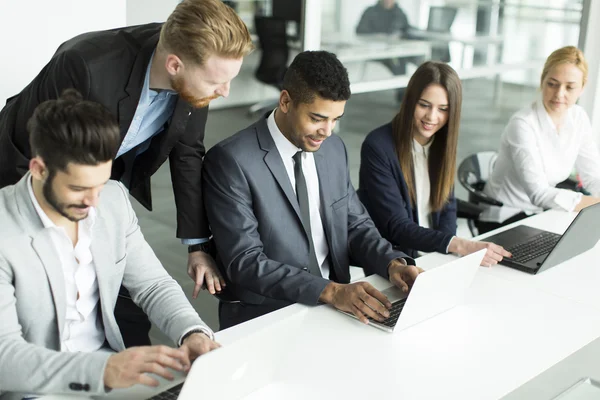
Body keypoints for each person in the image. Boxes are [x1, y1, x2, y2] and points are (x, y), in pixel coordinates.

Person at [0, 0, 254, 347]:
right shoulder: (87, 65)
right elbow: (35, 148)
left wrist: (198, 246)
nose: (224, 91)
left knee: (125, 308)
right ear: (175, 65)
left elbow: (187, 153)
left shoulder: (196, 70)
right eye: (217, 81)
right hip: (22, 168)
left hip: (100, 188)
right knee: (43, 310)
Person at [0, 90, 220, 400]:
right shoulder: (4, 230)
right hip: (34, 389)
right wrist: (103, 371)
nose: (93, 202)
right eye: (79, 188)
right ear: (38, 169)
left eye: (100, 184)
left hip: (110, 374)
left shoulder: (113, 200)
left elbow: (152, 285)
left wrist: (192, 331)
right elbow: (4, 355)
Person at [202, 51, 423, 330]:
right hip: (267, 313)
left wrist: (392, 263)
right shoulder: (231, 160)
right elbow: (245, 261)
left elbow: (354, 224)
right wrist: (330, 291)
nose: (327, 131)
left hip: (337, 306)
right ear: (285, 101)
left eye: (335, 119)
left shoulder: (333, 149)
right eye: (318, 118)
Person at [358, 61, 510, 267]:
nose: (432, 117)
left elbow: (447, 206)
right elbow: (397, 226)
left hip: (437, 256)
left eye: (443, 109)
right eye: (424, 105)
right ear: (410, 101)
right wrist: (459, 245)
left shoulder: (442, 142)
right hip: (398, 263)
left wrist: (446, 256)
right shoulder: (378, 146)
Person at [483, 46, 600, 231]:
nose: (559, 94)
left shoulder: (579, 117)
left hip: (543, 213)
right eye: (552, 84)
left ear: (582, 88)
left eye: (570, 87)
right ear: (542, 80)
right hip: (505, 216)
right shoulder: (522, 124)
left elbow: (593, 176)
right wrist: (594, 204)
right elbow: (538, 193)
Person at [356, 0, 420, 101]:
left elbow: (407, 29)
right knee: (398, 61)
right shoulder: (370, 11)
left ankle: (410, 92)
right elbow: (360, 30)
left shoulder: (399, 13)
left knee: (415, 58)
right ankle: (403, 94)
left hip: (397, 50)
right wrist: (377, 36)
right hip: (375, 51)